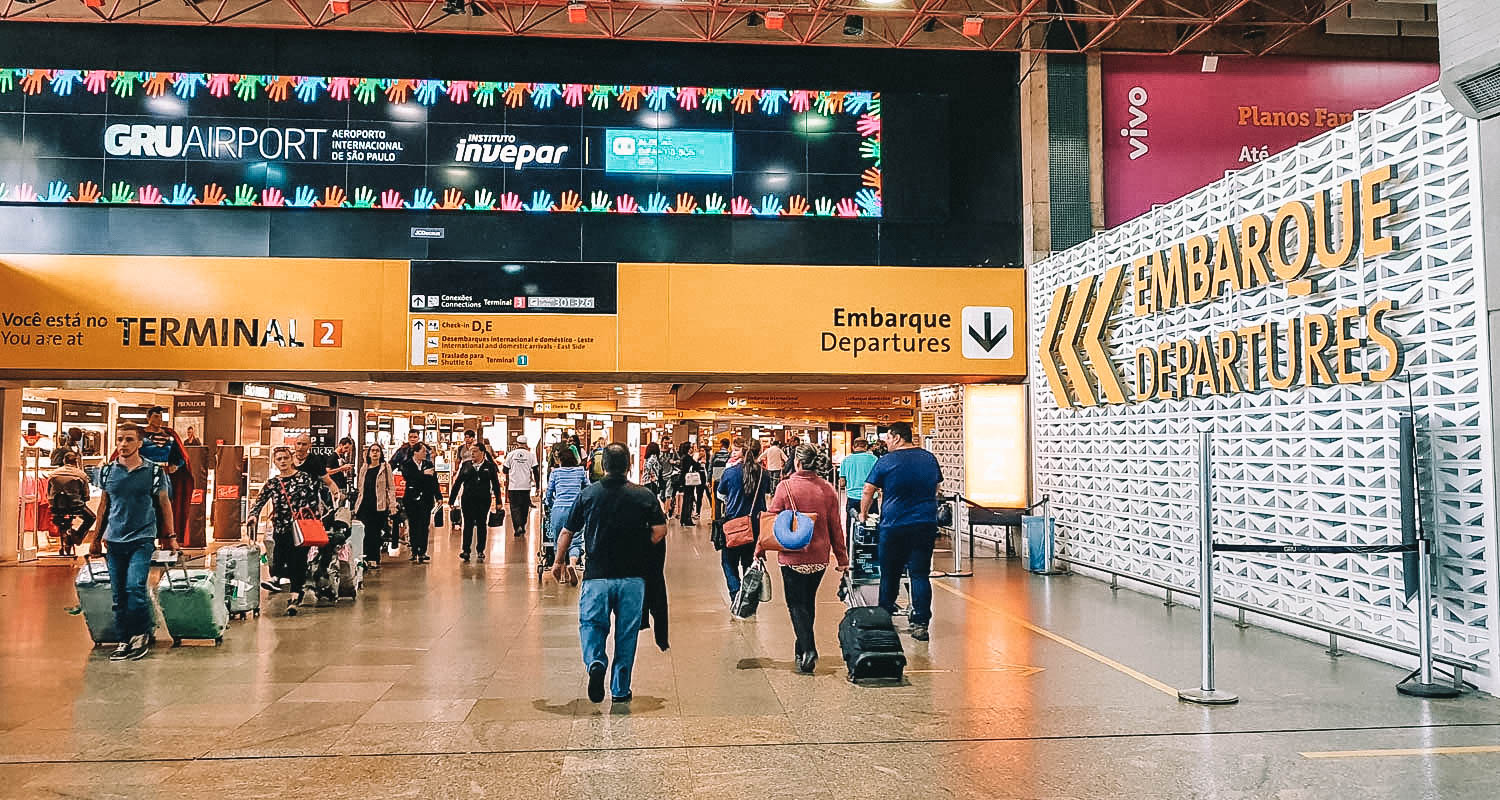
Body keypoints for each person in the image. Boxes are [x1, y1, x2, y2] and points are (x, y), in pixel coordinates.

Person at [552, 443, 667, 704]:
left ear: (603, 466)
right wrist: (640, 545)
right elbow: (660, 530)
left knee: (592, 625)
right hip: (632, 579)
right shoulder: (644, 495)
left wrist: (558, 561)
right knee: (626, 634)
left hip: (597, 577)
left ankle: (595, 662)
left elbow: (567, 532)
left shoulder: (588, 494)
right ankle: (620, 689)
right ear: (628, 465)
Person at [758, 444, 849, 674]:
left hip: (792, 555)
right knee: (807, 603)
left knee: (796, 604)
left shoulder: (785, 487)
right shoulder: (827, 489)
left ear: (797, 463)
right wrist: (842, 558)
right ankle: (801, 651)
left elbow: (771, 519)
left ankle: (809, 649)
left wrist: (760, 547)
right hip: (819, 557)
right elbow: (835, 526)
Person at [89, 424, 176, 660]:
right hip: (114, 540)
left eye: (129, 440)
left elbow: (164, 504)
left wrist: (170, 537)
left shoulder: (154, 472)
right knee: (118, 594)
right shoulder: (108, 472)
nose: (123, 444)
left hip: (142, 538)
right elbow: (104, 507)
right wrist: (96, 539)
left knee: (135, 587)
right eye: (120, 440)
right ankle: (123, 638)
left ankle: (140, 634)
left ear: (140, 443)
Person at [859, 421, 943, 642]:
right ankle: (920, 623)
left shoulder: (886, 461)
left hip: (894, 526)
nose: (885, 443)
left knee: (890, 574)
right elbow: (936, 488)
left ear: (896, 437)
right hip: (924, 524)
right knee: (919, 574)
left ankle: (885, 617)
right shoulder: (929, 458)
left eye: (887, 438)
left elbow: (868, 490)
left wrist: (863, 514)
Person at [246, 446, 323, 614]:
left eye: (285, 458)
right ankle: (277, 578)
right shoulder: (273, 483)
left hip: (302, 529)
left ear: (291, 459)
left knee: (298, 562)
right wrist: (253, 515)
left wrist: (313, 519)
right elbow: (260, 501)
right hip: (281, 527)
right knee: (280, 555)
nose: (282, 461)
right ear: (274, 462)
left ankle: (295, 596)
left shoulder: (304, 478)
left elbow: (313, 500)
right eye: (279, 459)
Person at [715, 439, 765, 603]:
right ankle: (748, 595)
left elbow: (720, 494)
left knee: (728, 562)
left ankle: (736, 593)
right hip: (756, 525)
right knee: (749, 562)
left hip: (734, 524)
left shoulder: (730, 472)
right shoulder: (764, 473)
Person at [137, 407, 194, 546]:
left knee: (165, 508)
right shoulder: (140, 435)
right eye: (156, 416)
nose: (159, 419)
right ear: (148, 418)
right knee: (143, 507)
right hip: (144, 475)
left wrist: (175, 466)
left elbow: (180, 456)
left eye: (161, 416)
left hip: (163, 475)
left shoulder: (169, 435)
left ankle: (166, 538)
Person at [545, 443, 591, 583]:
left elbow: (549, 492)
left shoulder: (555, 473)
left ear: (561, 460)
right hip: (575, 508)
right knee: (575, 540)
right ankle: (572, 563)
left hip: (559, 509)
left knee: (559, 540)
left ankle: (562, 573)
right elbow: (588, 488)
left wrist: (550, 504)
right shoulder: (580, 472)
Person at [449, 444, 502, 562]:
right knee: (467, 524)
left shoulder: (489, 466)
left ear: (482, 452)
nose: (472, 454)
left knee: (482, 524)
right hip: (468, 499)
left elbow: (495, 484)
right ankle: (466, 550)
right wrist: (452, 500)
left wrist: (499, 501)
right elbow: (458, 483)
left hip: (483, 500)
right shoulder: (466, 465)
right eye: (471, 451)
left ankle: (480, 550)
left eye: (475, 451)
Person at [354, 443, 397, 570]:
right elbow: (360, 487)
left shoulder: (385, 467)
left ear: (381, 453)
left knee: (375, 533)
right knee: (364, 532)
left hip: (378, 505)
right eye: (372, 451)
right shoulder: (364, 467)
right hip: (364, 504)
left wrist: (393, 504)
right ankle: (364, 558)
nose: (374, 453)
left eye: (377, 451)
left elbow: (391, 487)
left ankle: (374, 558)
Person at [399, 442, 441, 563]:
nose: (425, 454)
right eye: (423, 451)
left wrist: (438, 496)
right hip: (411, 498)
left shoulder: (428, 464)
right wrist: (423, 474)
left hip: (426, 498)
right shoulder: (407, 464)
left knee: (424, 525)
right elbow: (409, 477)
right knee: (413, 524)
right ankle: (414, 550)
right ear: (415, 452)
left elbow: (433, 481)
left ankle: (422, 551)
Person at [48, 451, 95, 557]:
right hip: (75, 507)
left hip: (56, 507)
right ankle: (78, 536)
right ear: (76, 461)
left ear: (64, 461)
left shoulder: (53, 474)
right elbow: (86, 496)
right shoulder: (81, 475)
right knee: (91, 517)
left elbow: (48, 492)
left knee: (60, 518)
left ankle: (66, 535)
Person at [838, 437, 879, 533]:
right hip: (871, 498)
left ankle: (850, 545)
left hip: (853, 498)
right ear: (866, 446)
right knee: (871, 527)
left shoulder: (846, 460)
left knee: (851, 527)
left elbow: (842, 482)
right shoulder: (874, 459)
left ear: (853, 447)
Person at [503, 435, 540, 539]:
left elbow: (505, 470)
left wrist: (513, 470)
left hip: (513, 486)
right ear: (526, 444)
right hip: (526, 486)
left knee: (514, 507)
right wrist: (537, 486)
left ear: (517, 443)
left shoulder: (511, 454)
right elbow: (536, 471)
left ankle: (517, 527)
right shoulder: (531, 455)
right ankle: (522, 525)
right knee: (524, 507)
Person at [292, 433, 342, 504]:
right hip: (290, 500)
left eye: (304, 444)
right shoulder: (288, 459)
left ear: (310, 446)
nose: (300, 447)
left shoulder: (315, 461)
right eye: (298, 443)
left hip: (310, 501)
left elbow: (328, 481)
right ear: (294, 444)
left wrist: (336, 493)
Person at [675, 442, 702, 526]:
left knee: (686, 499)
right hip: (689, 481)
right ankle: (687, 519)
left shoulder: (683, 457)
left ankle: (684, 518)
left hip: (684, 481)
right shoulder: (688, 458)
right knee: (689, 499)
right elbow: (696, 465)